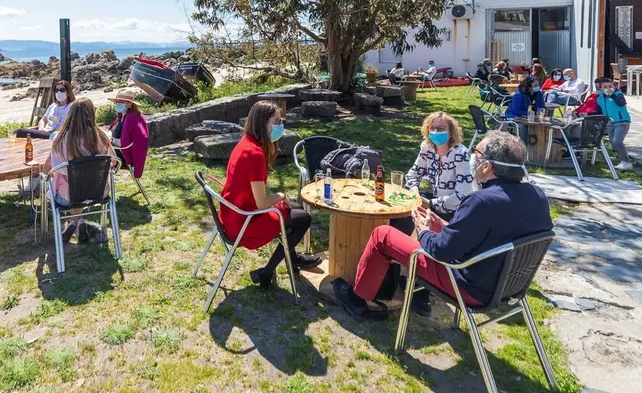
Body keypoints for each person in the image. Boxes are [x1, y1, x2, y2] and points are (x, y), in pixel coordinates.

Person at [333, 131, 552, 317]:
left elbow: (441, 251)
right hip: (507, 285)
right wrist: (444, 227)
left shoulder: (481, 201)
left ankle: (357, 299)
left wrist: (423, 230)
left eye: (476, 152)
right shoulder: (538, 195)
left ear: (487, 166)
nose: (472, 156)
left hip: (466, 285)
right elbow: (492, 235)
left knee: (383, 235)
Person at [219, 101, 321, 286]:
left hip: (232, 212)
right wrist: (281, 196)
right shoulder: (255, 154)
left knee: (295, 208)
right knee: (303, 218)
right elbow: (261, 203)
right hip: (244, 221)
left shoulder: (245, 142)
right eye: (276, 121)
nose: (280, 125)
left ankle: (292, 258)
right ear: (262, 123)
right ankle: (267, 271)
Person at [48, 98, 115, 243]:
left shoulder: (60, 140)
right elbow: (114, 161)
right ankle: (76, 222)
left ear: (70, 115)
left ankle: (75, 222)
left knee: (65, 188)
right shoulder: (101, 137)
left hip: (69, 196)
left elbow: (53, 169)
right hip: (99, 192)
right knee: (79, 189)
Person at [404, 112, 475, 219]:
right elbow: (412, 175)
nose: (436, 132)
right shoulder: (427, 147)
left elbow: (462, 194)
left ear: (451, 132)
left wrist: (431, 203)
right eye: (432, 128)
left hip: (455, 210)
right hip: (433, 202)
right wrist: (416, 194)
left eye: (441, 129)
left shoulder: (460, 153)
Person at [108, 91, 149, 184]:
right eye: (117, 102)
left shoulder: (132, 117)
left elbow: (128, 143)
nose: (118, 104)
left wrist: (111, 140)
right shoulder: (121, 116)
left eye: (121, 102)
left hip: (125, 155)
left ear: (129, 103)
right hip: (116, 150)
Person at [597, 77, 634, 170]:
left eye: (610, 86)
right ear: (601, 88)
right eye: (605, 87)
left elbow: (621, 103)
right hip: (610, 123)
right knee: (613, 143)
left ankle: (627, 162)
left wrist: (612, 94)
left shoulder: (618, 94)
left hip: (622, 121)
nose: (608, 88)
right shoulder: (600, 98)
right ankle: (621, 158)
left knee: (617, 141)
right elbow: (599, 110)